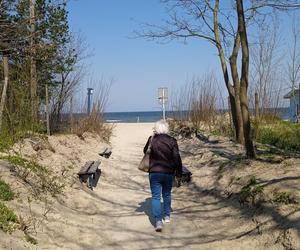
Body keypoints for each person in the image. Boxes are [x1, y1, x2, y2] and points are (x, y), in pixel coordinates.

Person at [143, 120, 182, 232]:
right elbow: (176, 158)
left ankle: (158, 221)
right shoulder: (172, 140)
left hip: (154, 172)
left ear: (156, 129)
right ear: (166, 129)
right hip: (168, 172)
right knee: (166, 194)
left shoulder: (152, 139)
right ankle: (167, 216)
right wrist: (178, 173)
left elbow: (145, 151)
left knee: (155, 196)